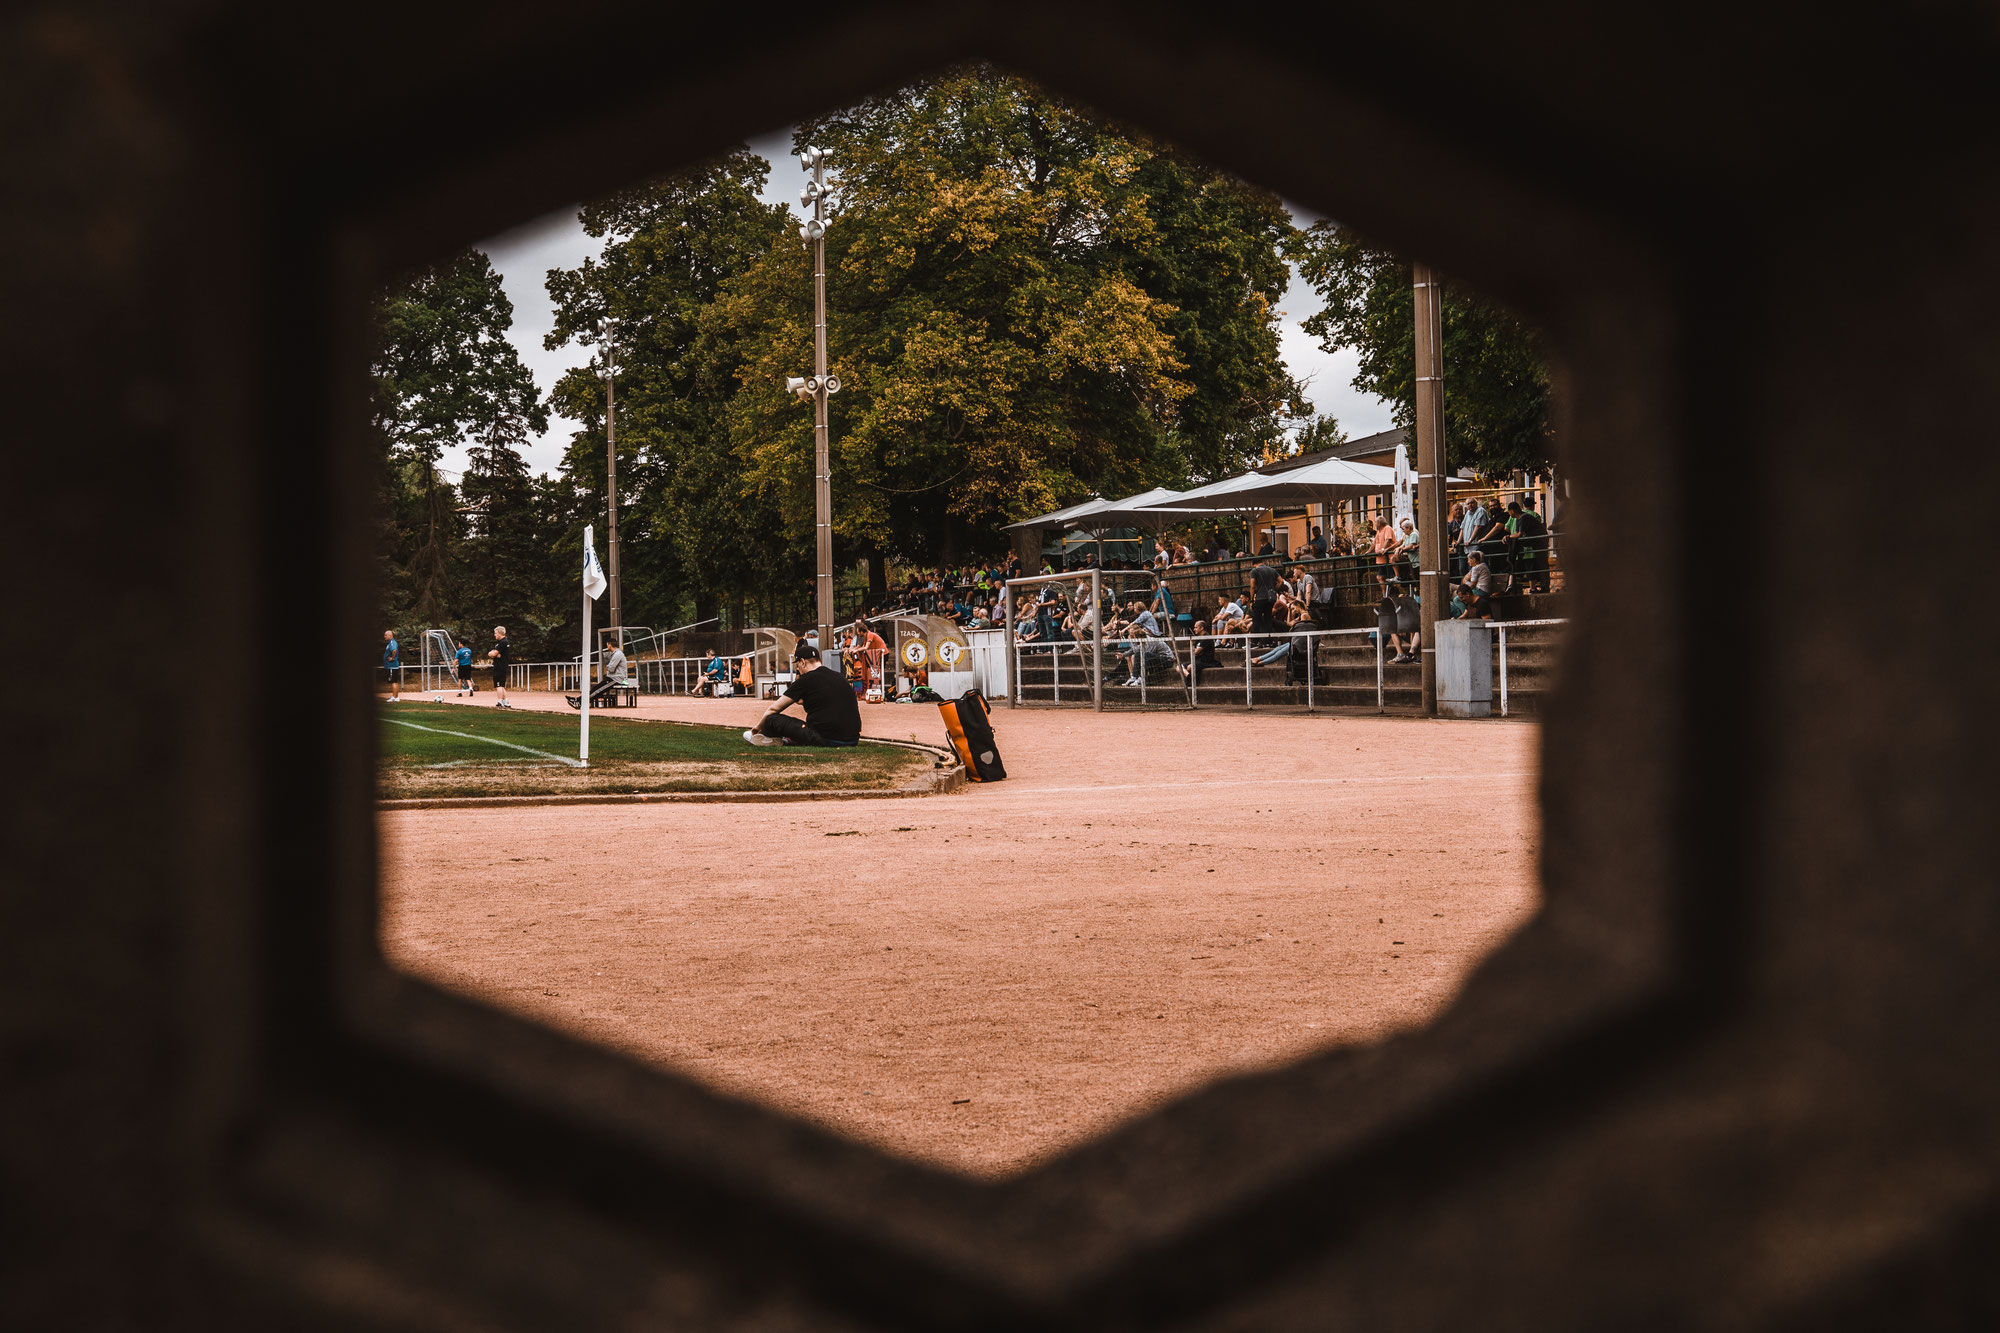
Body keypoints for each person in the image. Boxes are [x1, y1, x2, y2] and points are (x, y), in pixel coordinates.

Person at [744, 641, 862, 748]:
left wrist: (756, 729)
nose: (798, 669)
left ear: (803, 662)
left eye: (798, 665)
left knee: (771, 719)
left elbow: (774, 708)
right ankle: (789, 740)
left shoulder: (806, 679)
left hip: (825, 738)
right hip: (852, 739)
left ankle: (768, 737)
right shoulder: (839, 676)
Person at [1507, 499, 1549, 592]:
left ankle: (1544, 588)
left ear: (1512, 511)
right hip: (1535, 544)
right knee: (1539, 566)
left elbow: (1519, 534)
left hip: (1539, 543)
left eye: (1509, 511)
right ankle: (1539, 588)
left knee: (1542, 565)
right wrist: (1509, 537)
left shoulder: (1524, 517)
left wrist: (1508, 537)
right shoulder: (1519, 518)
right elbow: (1518, 533)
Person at [1454, 549, 1493, 618]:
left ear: (1474, 560)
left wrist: (1464, 589)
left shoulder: (1476, 568)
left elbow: (1472, 585)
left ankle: (1465, 615)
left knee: (1456, 599)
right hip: (1481, 589)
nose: (1468, 562)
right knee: (1456, 591)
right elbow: (1466, 578)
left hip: (1481, 591)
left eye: (1469, 560)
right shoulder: (1480, 566)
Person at [587, 640, 628, 705]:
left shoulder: (618, 654)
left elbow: (611, 668)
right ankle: (580, 700)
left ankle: (581, 701)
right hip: (613, 677)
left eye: (607, 645)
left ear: (610, 645)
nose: (607, 647)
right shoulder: (615, 654)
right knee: (597, 688)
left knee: (598, 689)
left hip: (616, 678)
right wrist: (609, 667)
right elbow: (611, 667)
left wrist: (608, 667)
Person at [1392, 582, 1422, 663]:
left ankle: (1411, 654)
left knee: (1414, 630)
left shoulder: (1414, 607)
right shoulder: (1400, 610)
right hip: (1409, 633)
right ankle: (1400, 654)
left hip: (1418, 635)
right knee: (1393, 630)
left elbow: (1415, 626)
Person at [1251, 554, 1279, 637]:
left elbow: (1252, 586)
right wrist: (1274, 589)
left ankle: (1255, 640)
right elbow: (1281, 581)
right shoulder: (1272, 570)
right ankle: (1268, 640)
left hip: (1260, 598)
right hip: (1270, 599)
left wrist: (1252, 600)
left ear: (1254, 564)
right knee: (1268, 618)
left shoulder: (1254, 571)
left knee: (1256, 619)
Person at [485, 626, 513, 708]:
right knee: (502, 684)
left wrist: (493, 653)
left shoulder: (502, 642)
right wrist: (494, 653)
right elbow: (493, 653)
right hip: (501, 665)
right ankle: (506, 701)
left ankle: (500, 701)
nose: (494, 635)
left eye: (496, 633)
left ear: (500, 633)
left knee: (499, 685)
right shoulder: (500, 642)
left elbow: (493, 654)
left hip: (500, 666)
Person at [381, 630, 401, 701]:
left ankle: (394, 697)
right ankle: (396, 697)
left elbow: (394, 650)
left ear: (390, 635)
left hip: (392, 665)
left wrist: (392, 658)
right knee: (394, 681)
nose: (384, 636)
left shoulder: (392, 642)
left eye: (386, 635)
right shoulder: (390, 643)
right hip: (391, 666)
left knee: (393, 682)